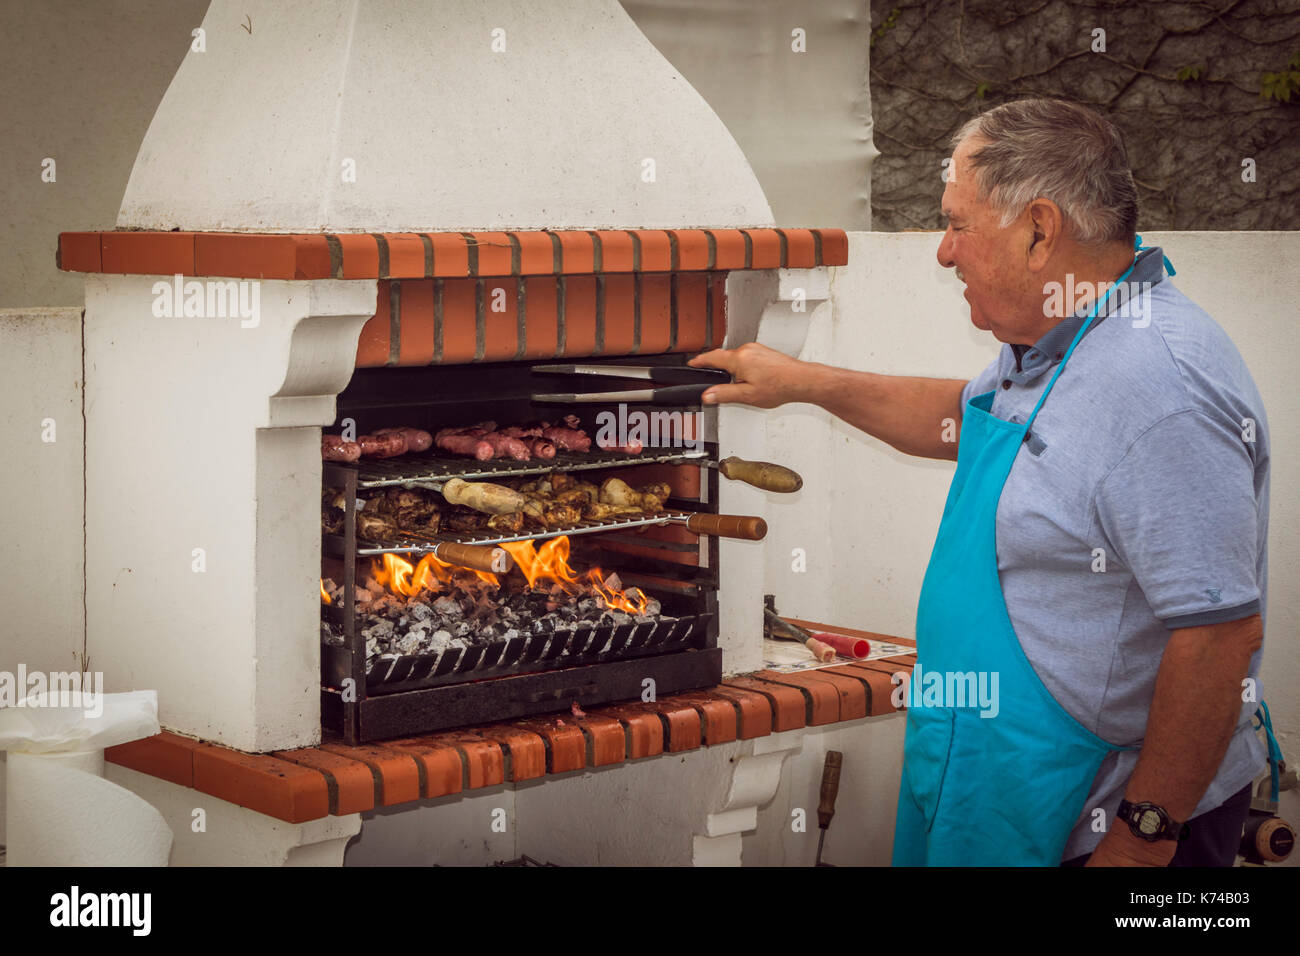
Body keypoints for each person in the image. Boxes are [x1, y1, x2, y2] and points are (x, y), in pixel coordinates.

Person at [689, 98, 1269, 867]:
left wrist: (1142, 841)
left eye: (957, 224)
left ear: (1038, 227)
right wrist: (803, 381)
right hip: (998, 786)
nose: (942, 252)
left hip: (1104, 823)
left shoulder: (1158, 385)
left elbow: (1221, 634)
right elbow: (966, 421)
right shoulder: (1062, 340)